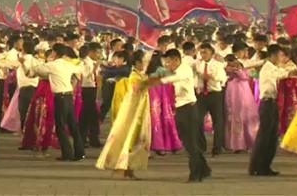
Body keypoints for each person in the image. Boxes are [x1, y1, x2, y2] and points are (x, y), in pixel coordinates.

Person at [22, 44, 85, 161]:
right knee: (73, 126)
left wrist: (26, 62)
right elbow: (80, 68)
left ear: (55, 53)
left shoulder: (52, 65)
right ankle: (79, 152)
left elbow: (34, 71)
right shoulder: (68, 64)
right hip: (69, 96)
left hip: (60, 97)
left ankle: (67, 154)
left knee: (60, 127)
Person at [96, 50, 151, 180]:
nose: (146, 64)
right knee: (131, 140)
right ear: (137, 62)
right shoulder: (134, 76)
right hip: (133, 114)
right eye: (144, 62)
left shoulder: (139, 74)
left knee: (134, 141)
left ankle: (127, 168)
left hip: (139, 113)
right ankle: (124, 168)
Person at [159, 48, 211, 182]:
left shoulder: (184, 69)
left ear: (176, 60)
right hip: (181, 110)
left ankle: (195, 175)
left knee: (190, 144)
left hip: (188, 110)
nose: (167, 65)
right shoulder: (176, 70)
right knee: (188, 142)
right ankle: (204, 169)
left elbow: (175, 79)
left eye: (169, 62)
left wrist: (157, 81)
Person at [249, 44, 297, 177]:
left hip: (272, 103)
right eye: (280, 55)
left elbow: (280, 73)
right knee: (265, 137)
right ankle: (259, 166)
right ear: (274, 55)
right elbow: (277, 77)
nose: (281, 58)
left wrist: (288, 73)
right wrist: (288, 73)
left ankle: (262, 166)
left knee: (270, 137)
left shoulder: (272, 68)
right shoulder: (268, 68)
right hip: (268, 103)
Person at [194, 43, 227, 156]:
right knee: (197, 120)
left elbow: (222, 78)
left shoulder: (218, 65)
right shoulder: (197, 64)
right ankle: (201, 146)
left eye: (206, 52)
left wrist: (210, 77)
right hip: (202, 95)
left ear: (212, 54)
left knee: (218, 122)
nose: (203, 55)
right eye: (201, 52)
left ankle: (217, 147)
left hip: (215, 94)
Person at [223, 54, 259, 152]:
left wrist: (238, 69)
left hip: (241, 92)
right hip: (232, 91)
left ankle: (247, 142)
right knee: (233, 115)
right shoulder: (227, 68)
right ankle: (236, 143)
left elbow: (245, 76)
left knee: (243, 114)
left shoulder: (242, 66)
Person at [80, 42, 102, 148]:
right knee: (86, 115)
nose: (98, 55)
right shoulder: (84, 62)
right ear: (91, 52)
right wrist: (94, 69)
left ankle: (93, 138)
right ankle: (83, 138)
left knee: (93, 116)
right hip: (86, 89)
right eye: (97, 53)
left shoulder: (94, 62)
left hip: (93, 89)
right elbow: (84, 76)